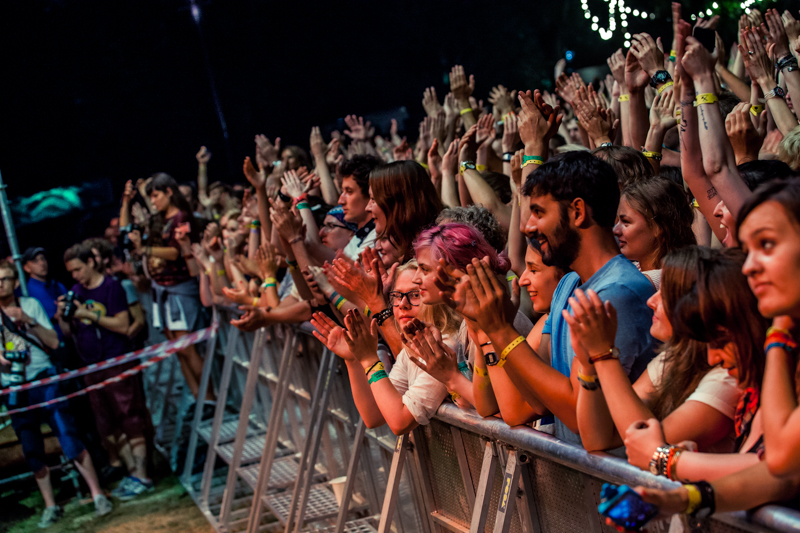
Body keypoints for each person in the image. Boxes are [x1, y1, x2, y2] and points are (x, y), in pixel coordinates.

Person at [570, 247, 769, 482]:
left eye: (665, 293)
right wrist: (589, 365)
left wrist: (604, 355)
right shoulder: (674, 357)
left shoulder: (727, 376)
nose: (651, 301)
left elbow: (643, 443)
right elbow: (598, 439)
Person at [0, 260, 112, 526]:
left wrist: (27, 321)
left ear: (15, 282)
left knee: (67, 433)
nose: (0, 284)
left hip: (43, 378)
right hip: (14, 388)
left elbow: (53, 341)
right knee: (31, 447)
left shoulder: (31, 305)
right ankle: (50, 506)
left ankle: (97, 494)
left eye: (5, 279)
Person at [312, 261, 460, 435]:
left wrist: (370, 361)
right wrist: (353, 360)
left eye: (414, 295)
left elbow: (399, 422)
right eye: (397, 296)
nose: (403, 304)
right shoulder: (411, 347)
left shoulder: (444, 346)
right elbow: (374, 416)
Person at [58, 243, 153, 500]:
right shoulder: (75, 291)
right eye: (71, 271)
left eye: (78, 269)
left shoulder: (112, 287)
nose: (75, 275)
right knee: (106, 424)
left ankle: (143, 475)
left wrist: (86, 313)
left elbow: (123, 325)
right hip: (91, 366)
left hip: (116, 361)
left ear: (91, 262)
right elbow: (68, 333)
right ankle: (132, 472)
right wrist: (63, 316)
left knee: (130, 416)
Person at [121, 174, 210, 404]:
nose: (153, 201)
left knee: (188, 348)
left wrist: (145, 250)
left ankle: (210, 398)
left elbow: (175, 252)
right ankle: (198, 398)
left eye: (156, 195)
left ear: (169, 192)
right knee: (179, 351)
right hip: (161, 291)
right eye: (150, 196)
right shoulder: (159, 220)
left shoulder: (181, 217)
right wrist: (126, 202)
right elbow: (126, 231)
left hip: (179, 289)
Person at [614, 178, 696, 289]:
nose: (615, 230)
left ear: (658, 228)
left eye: (625, 222)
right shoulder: (635, 270)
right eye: (617, 221)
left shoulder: (656, 280)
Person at [367, 160, 443, 262]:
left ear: (397, 203)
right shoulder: (412, 250)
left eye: (373, 199)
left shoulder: (435, 252)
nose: (367, 208)